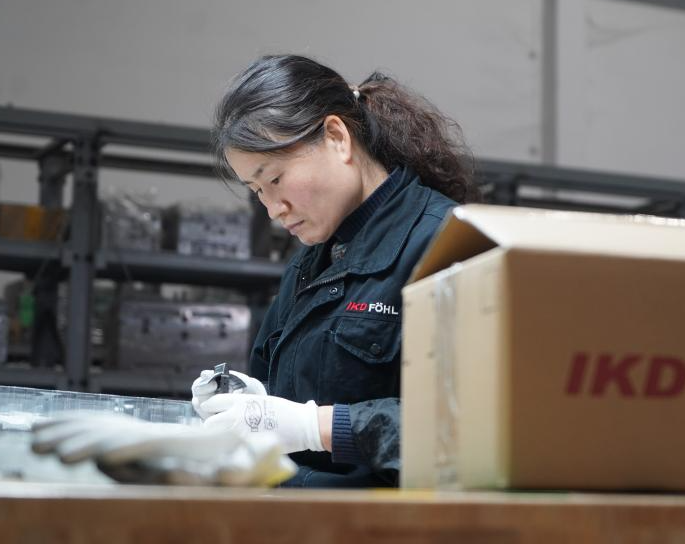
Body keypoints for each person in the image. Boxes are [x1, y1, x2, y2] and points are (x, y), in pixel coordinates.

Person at [189, 54, 479, 488]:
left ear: (337, 137)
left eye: (275, 179)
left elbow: (472, 429)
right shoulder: (310, 265)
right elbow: (285, 398)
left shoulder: (449, 245)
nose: (272, 209)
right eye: (257, 190)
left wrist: (316, 427)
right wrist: (250, 404)